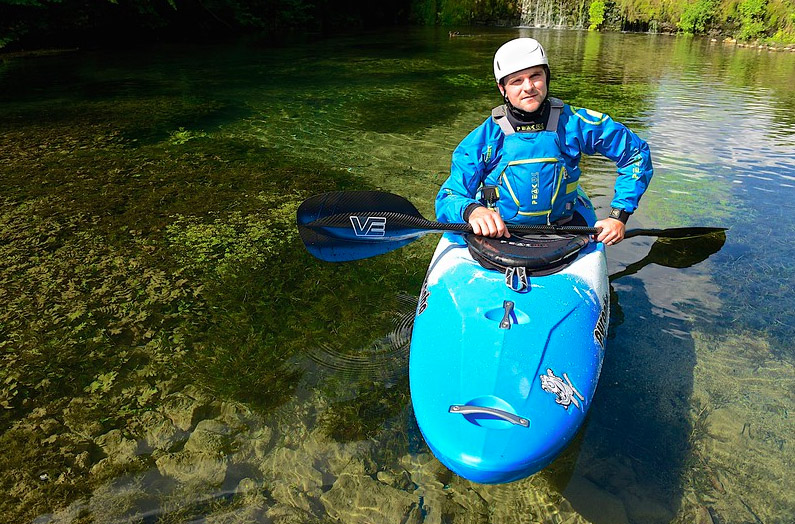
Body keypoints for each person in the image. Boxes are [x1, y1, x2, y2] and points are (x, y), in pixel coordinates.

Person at [435, 37, 653, 246]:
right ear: (503, 89)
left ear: (546, 77)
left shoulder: (574, 124)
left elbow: (635, 154)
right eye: (516, 81)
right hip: (500, 235)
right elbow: (449, 196)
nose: (528, 87)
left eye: (535, 76)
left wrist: (618, 215)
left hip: (565, 230)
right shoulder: (485, 138)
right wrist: (472, 210)